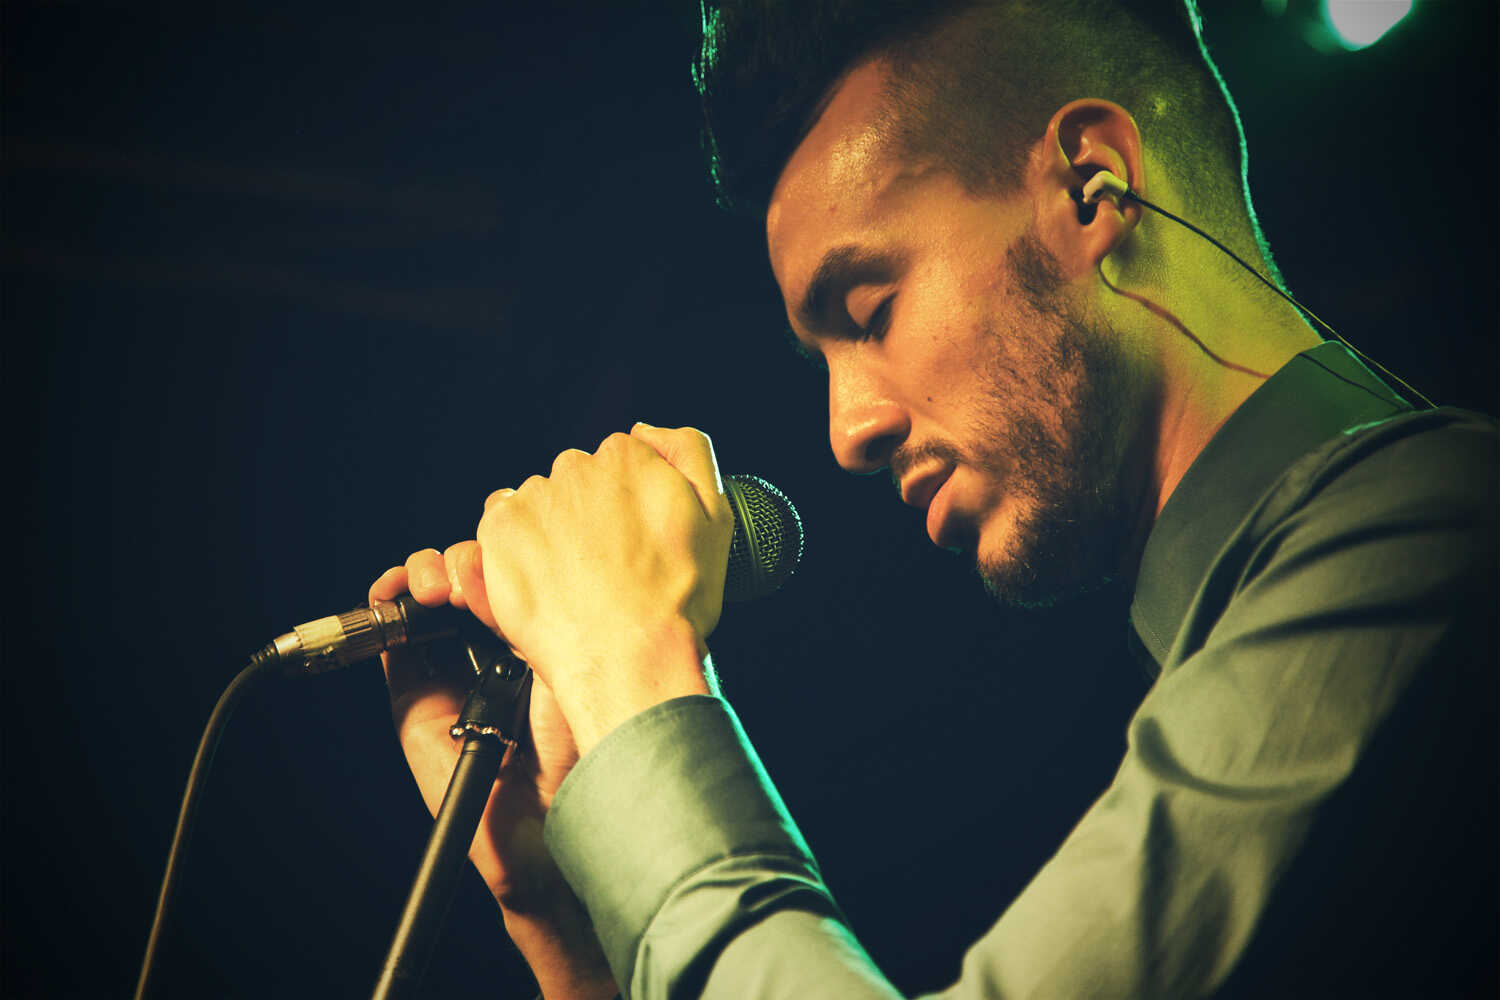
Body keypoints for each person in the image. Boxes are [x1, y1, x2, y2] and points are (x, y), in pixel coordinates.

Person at [369, 2, 1498, 997]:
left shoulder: (1431, 526)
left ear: (1089, 184)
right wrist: (579, 936)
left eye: (870, 311)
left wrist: (635, 677)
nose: (846, 432)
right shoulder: (1252, 632)